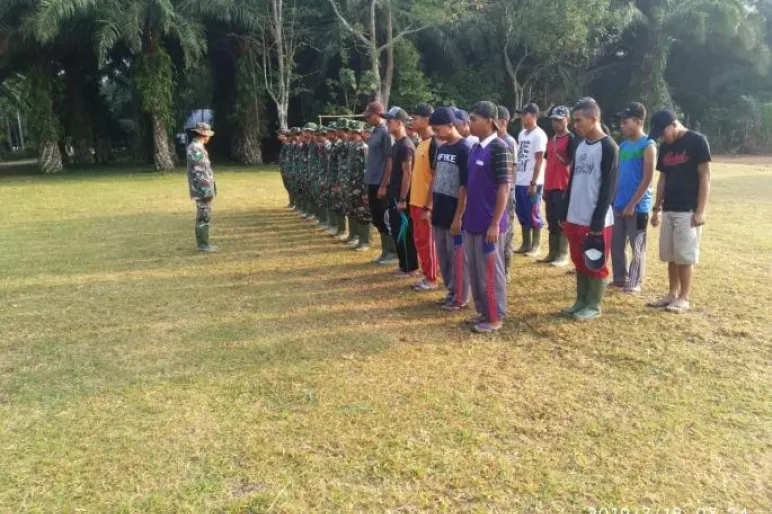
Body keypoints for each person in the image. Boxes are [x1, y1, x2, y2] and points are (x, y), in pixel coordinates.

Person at [559, 98, 619, 321]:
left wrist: (597, 220)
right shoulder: (581, 145)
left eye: (579, 121)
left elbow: (609, 188)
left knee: (595, 261)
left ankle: (594, 304)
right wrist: (565, 210)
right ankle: (581, 300)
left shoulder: (609, 147)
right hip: (575, 215)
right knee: (578, 259)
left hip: (595, 219)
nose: (575, 125)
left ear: (593, 119)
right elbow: (573, 180)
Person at [647, 109, 711, 314]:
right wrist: (656, 208)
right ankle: (672, 294)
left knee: (684, 256)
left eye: (663, 132)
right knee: (671, 255)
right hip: (669, 208)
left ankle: (684, 297)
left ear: (673, 124)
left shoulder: (697, 141)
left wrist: (700, 211)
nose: (661, 137)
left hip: (688, 210)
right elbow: (663, 179)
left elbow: (705, 177)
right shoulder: (666, 147)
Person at [464, 101, 514, 333]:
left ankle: (495, 317)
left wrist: (495, 223)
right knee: (476, 270)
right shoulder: (475, 148)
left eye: (474, 119)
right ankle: (483, 311)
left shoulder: (500, 148)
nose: (470, 123)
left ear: (489, 121)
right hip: (472, 221)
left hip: (489, 224)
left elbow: (504, 188)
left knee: (491, 272)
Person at [612, 102, 657, 293]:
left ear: (638, 122)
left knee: (637, 244)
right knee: (616, 244)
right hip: (619, 204)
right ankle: (619, 278)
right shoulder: (623, 146)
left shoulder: (648, 145)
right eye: (621, 122)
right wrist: (614, 199)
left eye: (626, 122)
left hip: (638, 207)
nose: (621, 125)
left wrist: (632, 204)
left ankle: (635, 281)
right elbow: (618, 175)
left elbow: (648, 179)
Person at [429, 107, 471, 311]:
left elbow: (465, 187)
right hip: (439, 209)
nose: (435, 133)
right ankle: (451, 291)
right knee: (444, 256)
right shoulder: (442, 148)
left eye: (437, 129)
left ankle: (461, 296)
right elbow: (436, 177)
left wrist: (458, 216)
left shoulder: (465, 149)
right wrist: (430, 206)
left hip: (454, 212)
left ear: (450, 125)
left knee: (457, 258)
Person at [382, 106, 420, 276]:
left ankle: (410, 267)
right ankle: (403, 264)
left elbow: (408, 173)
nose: (387, 124)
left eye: (389, 121)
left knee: (404, 232)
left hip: (402, 196)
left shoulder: (405, 145)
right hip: (394, 194)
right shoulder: (397, 143)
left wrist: (403, 198)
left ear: (399, 123)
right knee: (397, 229)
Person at [409, 103, 440, 292]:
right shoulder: (420, 143)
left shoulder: (434, 144)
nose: (411, 121)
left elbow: (436, 176)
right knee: (420, 241)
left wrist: (429, 206)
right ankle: (427, 273)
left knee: (428, 242)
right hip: (415, 201)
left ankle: (431, 279)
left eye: (415, 118)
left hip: (425, 203)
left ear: (427, 119)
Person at [363, 101, 398, 265]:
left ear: (378, 114)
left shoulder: (385, 132)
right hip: (372, 180)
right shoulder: (375, 131)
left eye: (369, 116)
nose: (367, 119)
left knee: (384, 217)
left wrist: (384, 185)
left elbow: (390, 160)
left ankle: (392, 252)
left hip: (380, 181)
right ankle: (385, 251)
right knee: (377, 217)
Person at [539, 106, 575, 266]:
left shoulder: (571, 139)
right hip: (550, 185)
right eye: (554, 120)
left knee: (562, 220)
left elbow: (573, 164)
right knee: (551, 219)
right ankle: (552, 252)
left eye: (559, 120)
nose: (556, 123)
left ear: (567, 120)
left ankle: (563, 254)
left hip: (563, 186)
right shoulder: (551, 140)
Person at [513, 102, 547, 257]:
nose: (522, 117)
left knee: (533, 212)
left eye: (525, 114)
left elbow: (539, 160)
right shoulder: (522, 134)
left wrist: (533, 182)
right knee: (521, 212)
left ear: (534, 116)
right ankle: (526, 243)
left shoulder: (539, 134)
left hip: (532, 181)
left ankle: (536, 245)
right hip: (520, 179)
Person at [186, 122, 218, 253]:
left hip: (204, 187)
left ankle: (204, 243)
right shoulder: (195, 148)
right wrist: (207, 190)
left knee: (205, 215)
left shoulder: (198, 147)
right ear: (204, 135)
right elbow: (200, 172)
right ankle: (203, 245)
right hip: (202, 189)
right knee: (203, 216)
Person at [496, 105, 519, 281]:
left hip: (507, 194)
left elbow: (511, 171)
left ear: (503, 122)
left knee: (507, 231)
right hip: (497, 193)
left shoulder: (509, 142)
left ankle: (506, 269)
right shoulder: (494, 141)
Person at [346, 121, 373, 252]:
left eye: (350, 131)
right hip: (353, 186)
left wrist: (366, 190)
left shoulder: (364, 148)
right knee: (356, 212)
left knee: (364, 214)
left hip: (362, 187)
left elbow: (367, 170)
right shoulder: (353, 147)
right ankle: (359, 239)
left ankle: (366, 242)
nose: (348, 134)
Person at [277, 129, 293, 209]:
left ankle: (293, 203)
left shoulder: (289, 145)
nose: (278, 136)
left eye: (280, 134)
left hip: (289, 169)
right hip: (284, 169)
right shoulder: (285, 145)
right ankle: (291, 202)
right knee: (287, 186)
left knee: (290, 186)